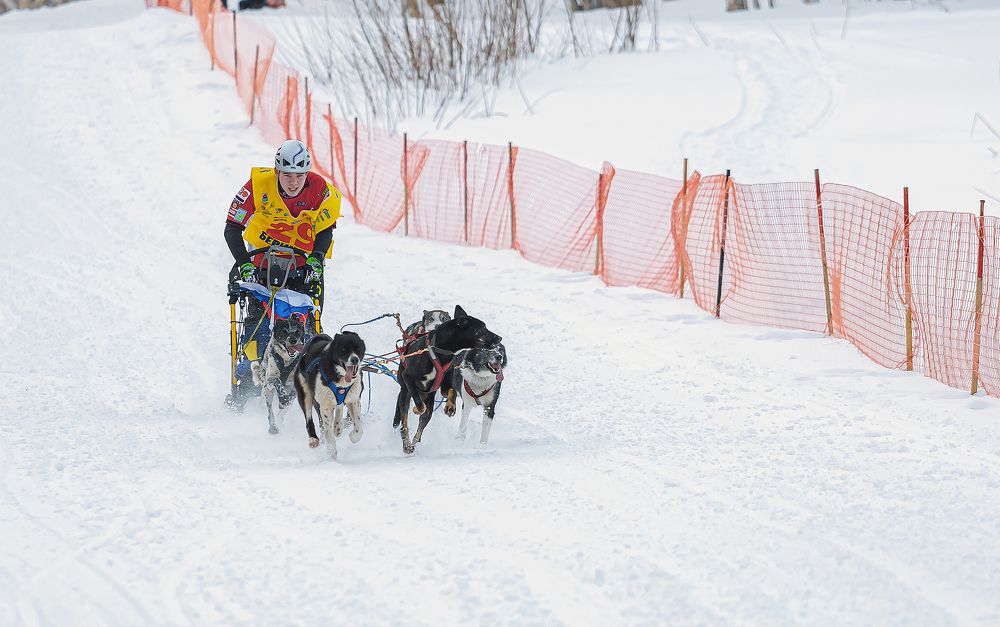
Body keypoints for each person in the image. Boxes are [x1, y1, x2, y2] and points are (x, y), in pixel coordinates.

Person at [226, 139, 342, 393]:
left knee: (307, 324)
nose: (293, 182)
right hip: (261, 265)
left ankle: (308, 379)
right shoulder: (257, 186)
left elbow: (325, 231)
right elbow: (232, 228)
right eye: (287, 175)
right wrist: (244, 265)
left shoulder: (321, 190)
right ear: (277, 171)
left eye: (299, 176)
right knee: (258, 323)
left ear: (307, 174)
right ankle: (249, 375)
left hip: (303, 266)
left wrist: (316, 258)